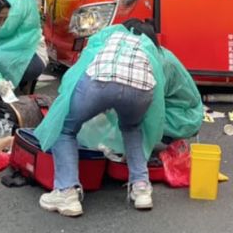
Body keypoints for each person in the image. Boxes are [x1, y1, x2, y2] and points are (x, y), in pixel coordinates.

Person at [34, 19, 168, 217]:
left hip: (99, 82)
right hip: (141, 89)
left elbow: (82, 65)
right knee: (132, 128)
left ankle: (67, 193)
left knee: (65, 129)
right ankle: (141, 189)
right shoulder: (147, 45)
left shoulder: (110, 35)